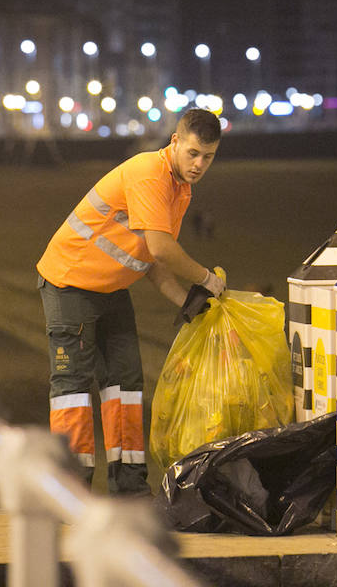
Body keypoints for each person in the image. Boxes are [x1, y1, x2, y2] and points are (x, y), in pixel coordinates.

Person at [36, 108, 225, 495]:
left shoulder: (179, 189)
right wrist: (206, 279)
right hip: (70, 283)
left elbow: (152, 260)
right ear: (175, 141)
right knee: (73, 388)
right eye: (193, 153)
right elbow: (162, 248)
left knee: (125, 384)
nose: (199, 164)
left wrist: (186, 304)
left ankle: (130, 489)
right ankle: (70, 492)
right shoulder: (149, 174)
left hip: (110, 289)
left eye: (208, 157)